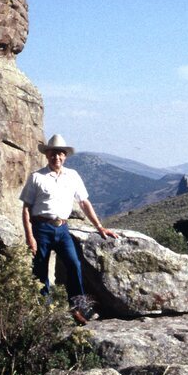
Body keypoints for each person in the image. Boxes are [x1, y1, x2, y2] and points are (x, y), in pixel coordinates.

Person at [19, 134, 118, 324]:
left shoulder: (73, 176)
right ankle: (45, 312)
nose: (57, 157)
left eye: (60, 154)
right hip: (42, 228)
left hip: (63, 228)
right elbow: (26, 208)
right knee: (40, 271)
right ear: (47, 155)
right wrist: (29, 236)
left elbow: (84, 202)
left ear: (65, 156)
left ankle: (78, 309)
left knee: (74, 265)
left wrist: (99, 227)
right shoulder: (37, 177)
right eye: (53, 154)